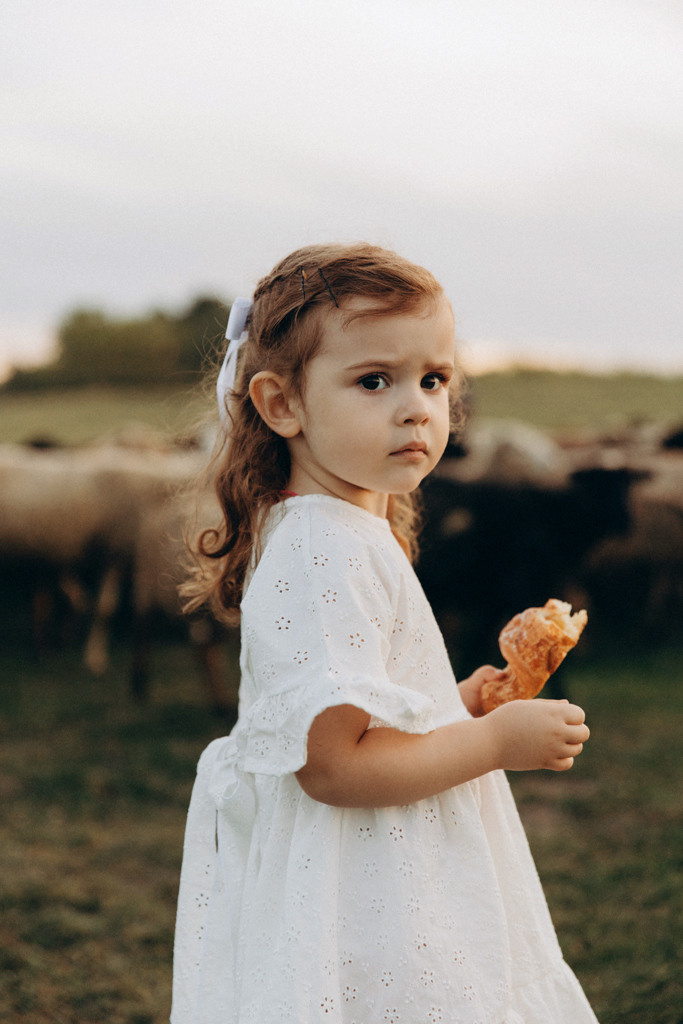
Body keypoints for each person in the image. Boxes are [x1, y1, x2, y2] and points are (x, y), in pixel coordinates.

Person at [171, 242, 598, 1023]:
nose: (416, 407)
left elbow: (366, 718)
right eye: (374, 380)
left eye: (433, 379)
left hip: (389, 860)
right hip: (368, 887)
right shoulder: (322, 552)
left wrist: (458, 702)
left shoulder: (341, 530)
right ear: (281, 405)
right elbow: (333, 766)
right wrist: (493, 743)